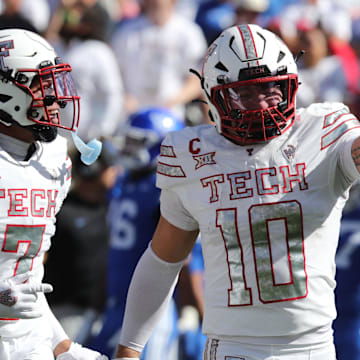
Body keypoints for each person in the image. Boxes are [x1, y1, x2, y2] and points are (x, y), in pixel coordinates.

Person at [113, 24, 360, 360]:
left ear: (292, 85)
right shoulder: (193, 156)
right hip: (235, 348)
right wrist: (129, 348)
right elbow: (162, 262)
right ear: (214, 97)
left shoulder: (324, 133)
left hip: (314, 347)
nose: (260, 104)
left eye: (271, 89)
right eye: (243, 94)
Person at [0, 28, 108, 359]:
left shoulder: (54, 158)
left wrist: (61, 345)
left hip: (27, 340)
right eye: (41, 85)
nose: (56, 98)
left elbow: (28, 279)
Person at [89, 107, 184, 359]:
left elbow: (183, 260)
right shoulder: (124, 182)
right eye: (128, 141)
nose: (128, 148)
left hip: (152, 312)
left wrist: (194, 312)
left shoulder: (165, 191)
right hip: (115, 304)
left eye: (137, 142)